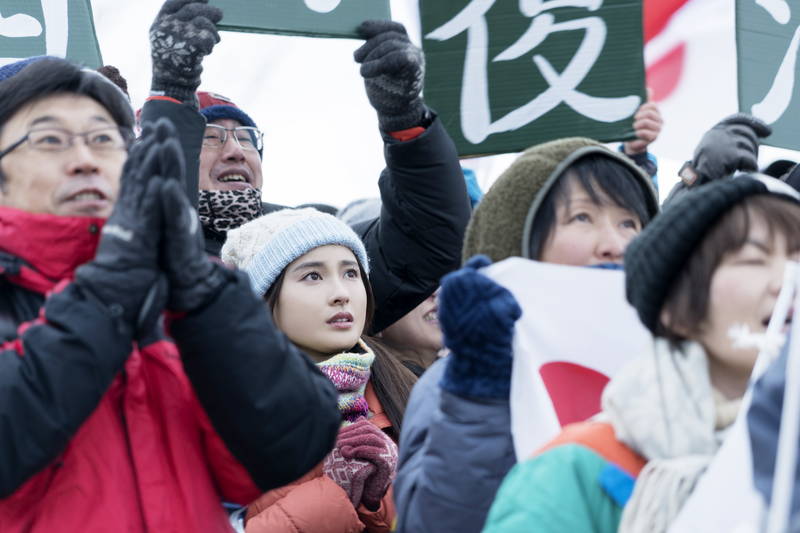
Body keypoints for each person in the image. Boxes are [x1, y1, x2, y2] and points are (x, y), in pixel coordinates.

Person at [0, 57, 340, 532]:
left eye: (104, 139)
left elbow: (294, 442)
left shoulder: (177, 303)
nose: (85, 159)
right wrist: (106, 293)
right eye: (50, 140)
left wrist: (203, 294)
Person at [482, 174, 800, 533]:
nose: (787, 282)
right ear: (677, 310)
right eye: (753, 260)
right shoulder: (575, 470)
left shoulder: (791, 454)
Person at [140, 1, 471, 336]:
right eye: (211, 138)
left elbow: (428, 241)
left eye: (246, 138)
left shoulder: (311, 237)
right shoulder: (130, 243)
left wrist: (406, 121)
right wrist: (172, 91)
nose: (236, 152)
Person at [393, 137, 660, 533]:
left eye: (629, 223)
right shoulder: (457, 382)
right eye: (582, 218)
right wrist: (479, 396)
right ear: (517, 237)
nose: (615, 245)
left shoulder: (681, 362)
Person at [222, 207, 417, 532]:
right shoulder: (217, 413)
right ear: (264, 301)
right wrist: (332, 488)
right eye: (312, 276)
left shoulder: (406, 389)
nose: (341, 293)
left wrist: (377, 500)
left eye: (351, 273)